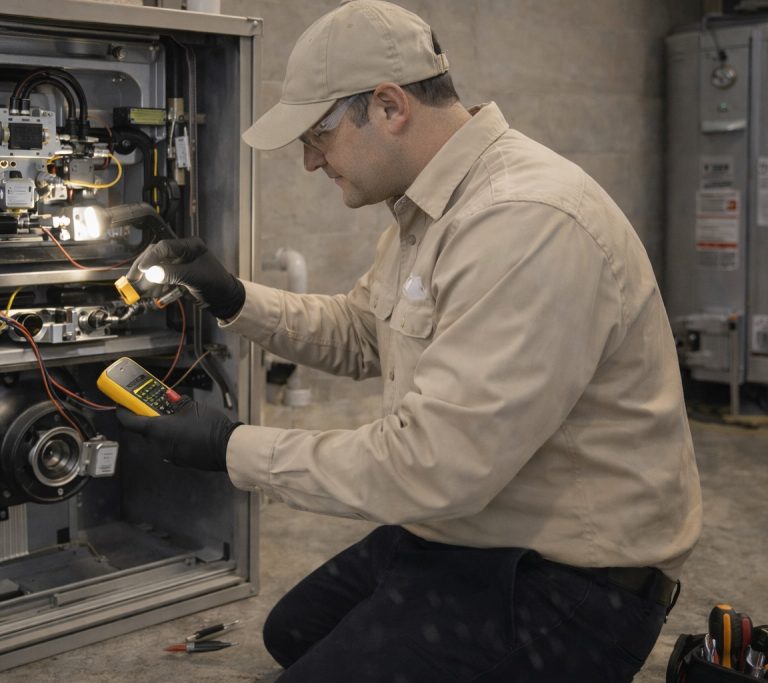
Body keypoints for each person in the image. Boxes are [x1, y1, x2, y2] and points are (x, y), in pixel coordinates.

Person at [118, 1, 703, 680]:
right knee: (291, 632)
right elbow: (364, 332)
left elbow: (433, 465)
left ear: (390, 106)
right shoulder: (427, 210)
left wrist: (232, 447)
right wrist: (234, 297)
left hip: (572, 581)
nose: (310, 161)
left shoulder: (524, 222)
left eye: (318, 134)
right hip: (469, 527)